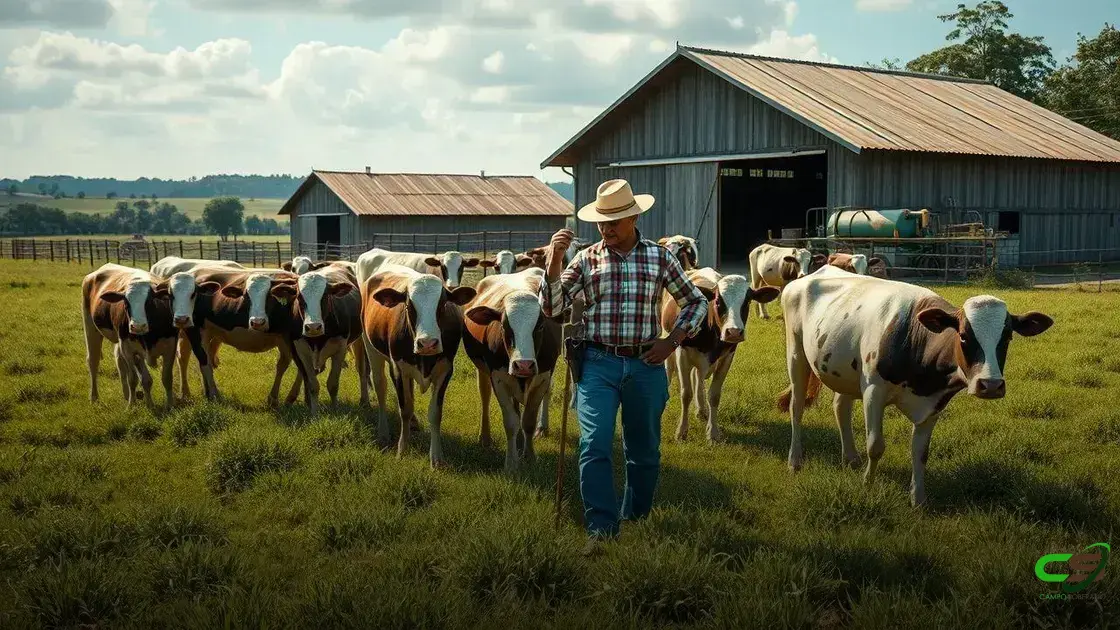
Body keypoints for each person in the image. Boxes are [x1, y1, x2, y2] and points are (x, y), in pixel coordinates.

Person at [539, 178, 708, 556]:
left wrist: (672, 341)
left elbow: (696, 302)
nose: (606, 228)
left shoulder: (660, 258)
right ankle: (601, 528)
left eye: (614, 221)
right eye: (601, 221)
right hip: (596, 362)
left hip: (646, 364)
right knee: (594, 443)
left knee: (644, 450)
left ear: (633, 218)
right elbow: (552, 308)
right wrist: (553, 263)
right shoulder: (586, 259)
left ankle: (636, 515)